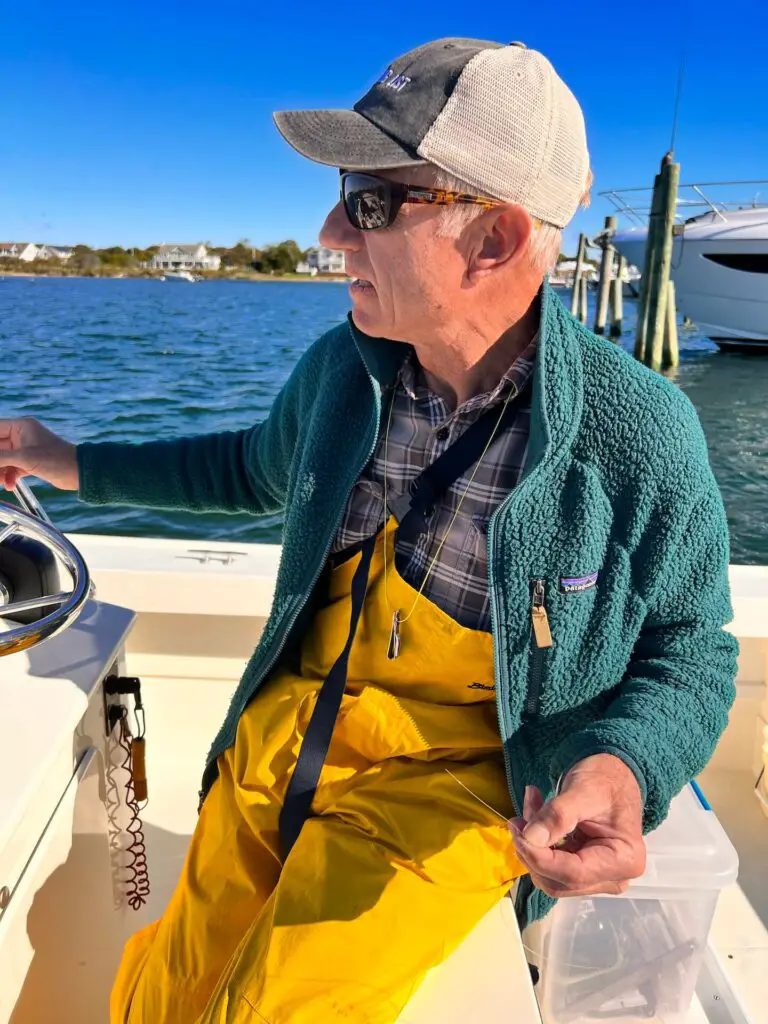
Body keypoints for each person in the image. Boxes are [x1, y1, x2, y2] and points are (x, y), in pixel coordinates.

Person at [0, 38, 737, 1024]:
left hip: (456, 799)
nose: (330, 229)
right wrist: (64, 458)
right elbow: (245, 468)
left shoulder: (638, 432)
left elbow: (692, 654)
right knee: (157, 990)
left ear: (498, 238)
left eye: (372, 200)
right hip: (281, 745)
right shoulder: (343, 372)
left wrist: (619, 765)